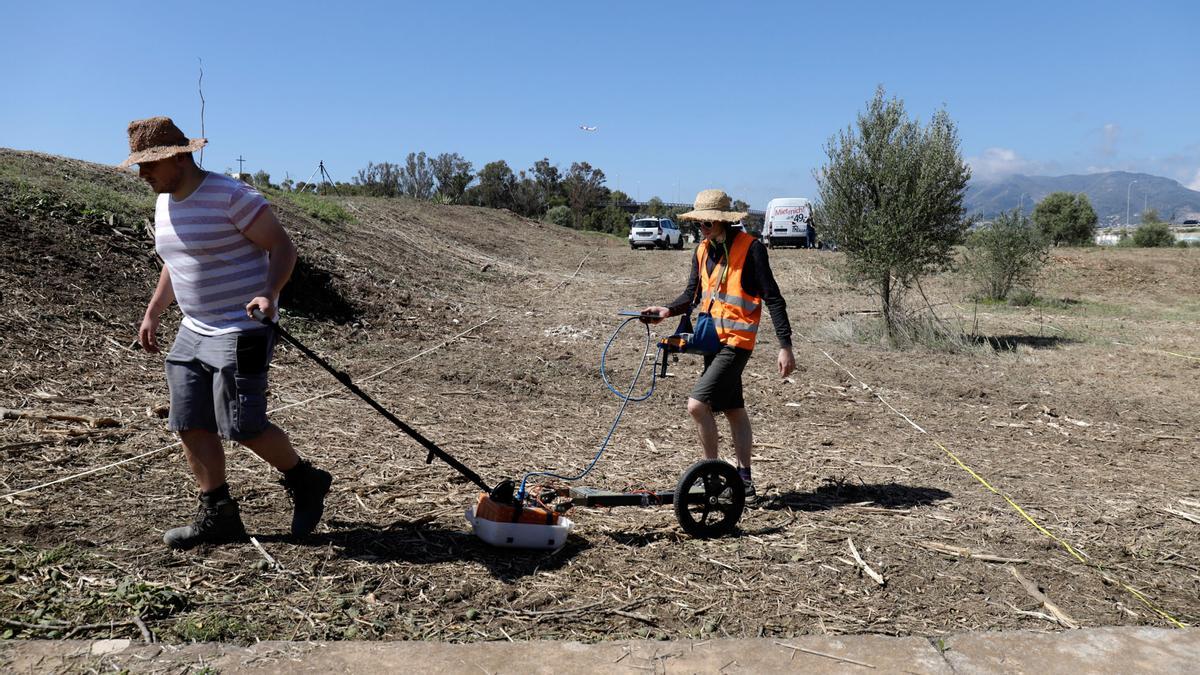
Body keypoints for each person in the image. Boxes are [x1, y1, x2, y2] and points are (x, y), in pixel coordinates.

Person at [123, 116, 332, 549]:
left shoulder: (230, 196)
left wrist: (270, 292)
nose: (142, 174)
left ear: (180, 157)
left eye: (149, 165)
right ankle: (217, 512)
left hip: (241, 329)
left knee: (241, 425)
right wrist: (154, 310)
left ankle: (306, 480)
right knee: (189, 420)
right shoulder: (165, 200)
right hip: (192, 329)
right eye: (139, 166)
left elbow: (282, 246)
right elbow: (177, 259)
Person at [642, 189, 795, 502]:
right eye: (700, 222)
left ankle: (712, 477)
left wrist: (785, 345)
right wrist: (666, 311)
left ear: (724, 220)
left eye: (709, 221)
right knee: (734, 410)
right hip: (712, 342)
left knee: (697, 406)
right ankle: (744, 483)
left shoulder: (751, 249)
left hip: (737, 343)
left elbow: (774, 298)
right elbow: (691, 295)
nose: (704, 227)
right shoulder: (701, 251)